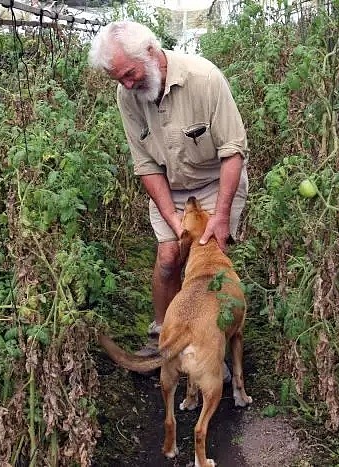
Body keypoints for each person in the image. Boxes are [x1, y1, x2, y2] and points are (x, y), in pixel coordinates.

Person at [88, 21, 249, 360]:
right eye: (119, 79)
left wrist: (220, 217)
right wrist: (173, 220)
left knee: (210, 260)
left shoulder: (204, 79)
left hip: (214, 180)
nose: (128, 84)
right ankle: (164, 332)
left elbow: (233, 152)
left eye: (130, 74)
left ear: (150, 52)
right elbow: (146, 164)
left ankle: (210, 342)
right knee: (168, 259)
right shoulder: (127, 96)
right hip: (171, 187)